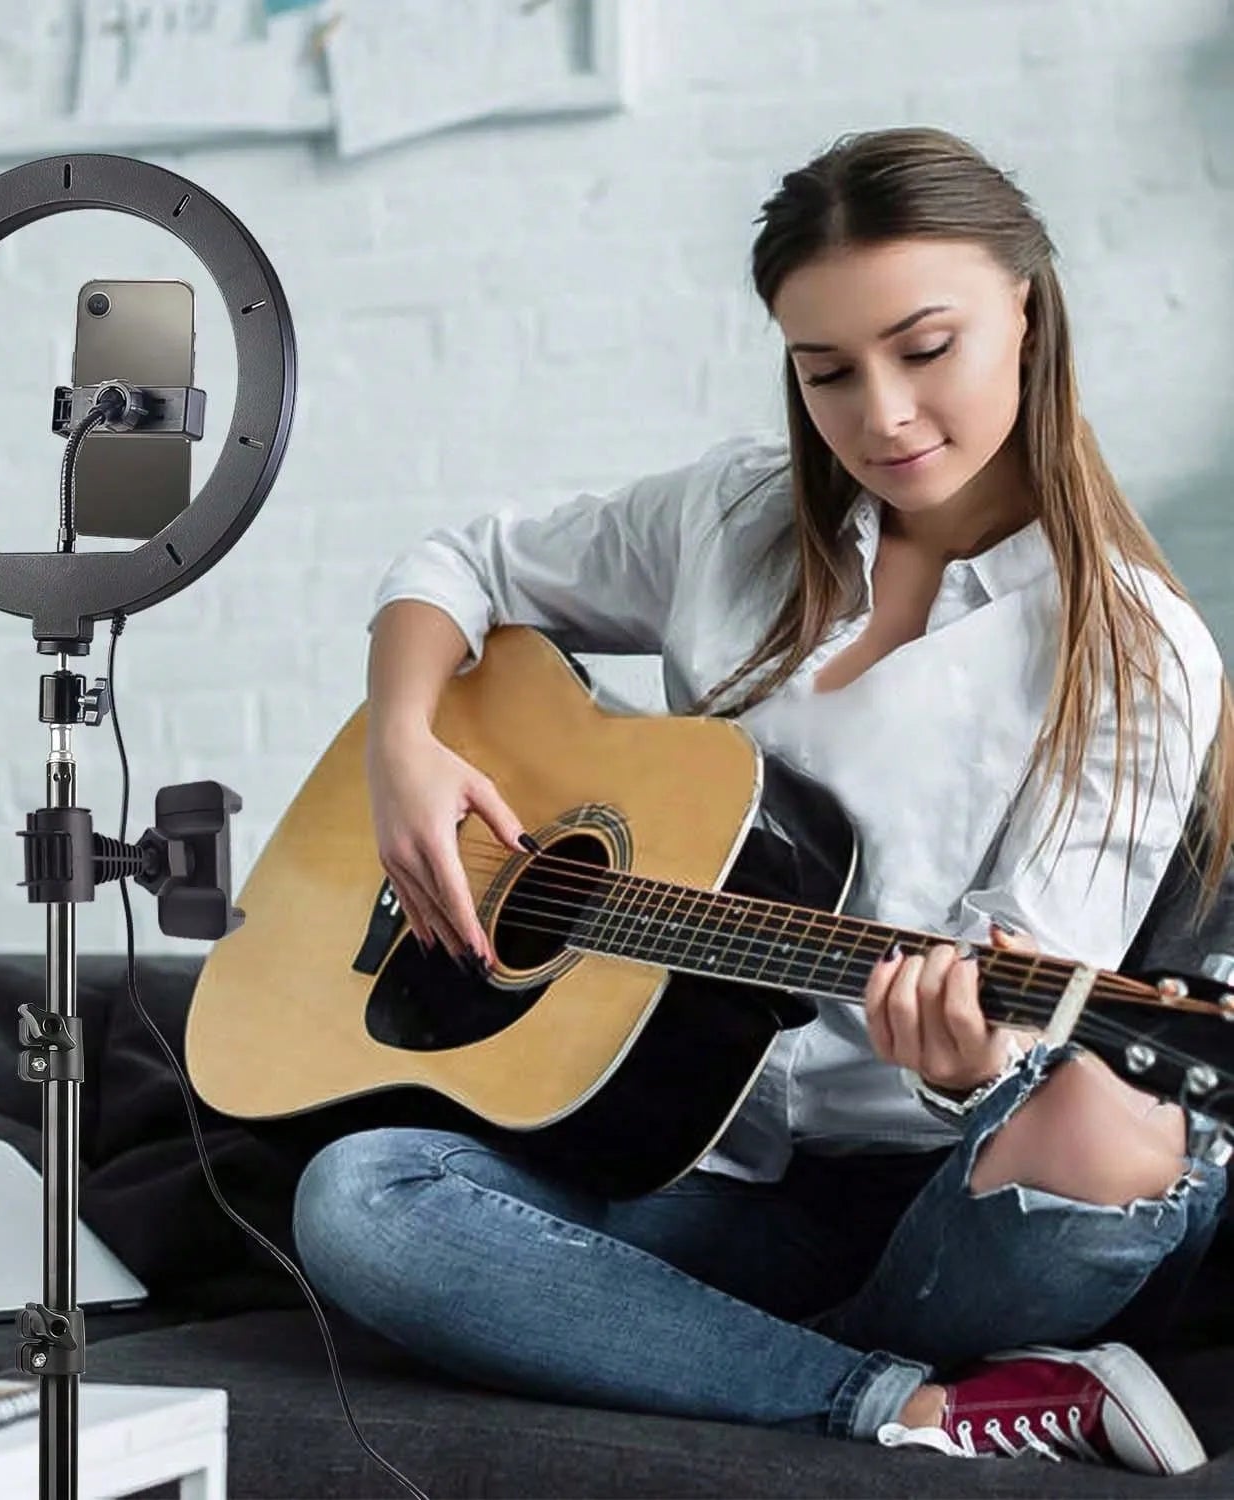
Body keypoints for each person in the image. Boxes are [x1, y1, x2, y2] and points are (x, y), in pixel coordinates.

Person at [291, 126, 1234, 1474]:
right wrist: (404, 743)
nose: (884, 417)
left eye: (926, 348)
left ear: (1027, 307)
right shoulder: (731, 516)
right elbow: (462, 562)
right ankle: (915, 1409)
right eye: (828, 372)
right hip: (695, 1177)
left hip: (924, 1207)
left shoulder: (1130, 647)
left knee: (1106, 1140)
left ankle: (746, 1361)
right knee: (360, 1202)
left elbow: (1024, 1025)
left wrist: (973, 1062)